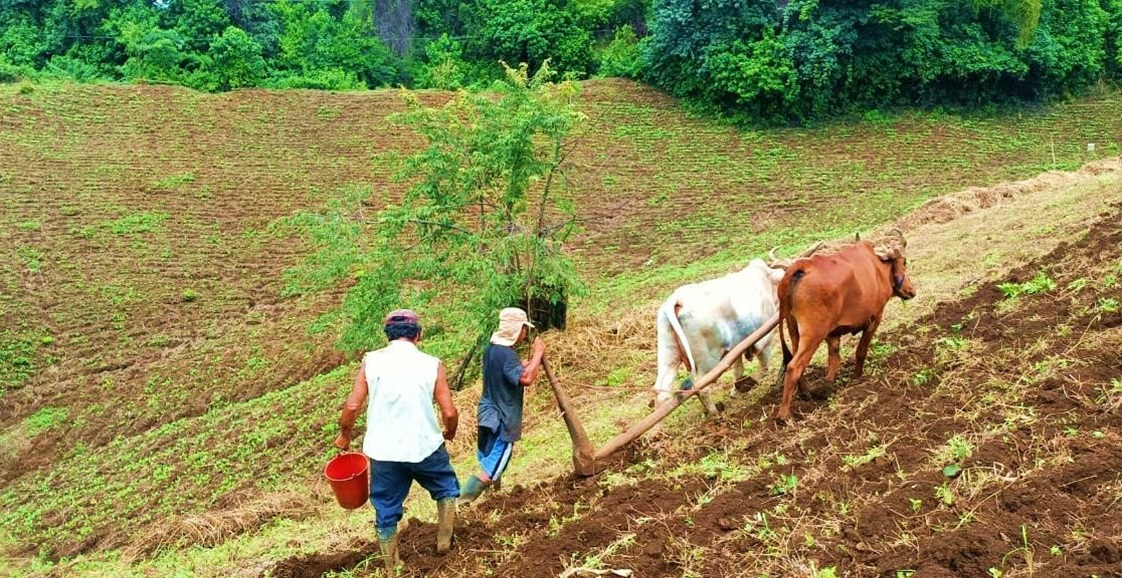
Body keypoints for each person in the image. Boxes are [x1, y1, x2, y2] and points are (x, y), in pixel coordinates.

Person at [334, 309, 460, 576]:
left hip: (384, 450)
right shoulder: (431, 363)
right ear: (418, 335)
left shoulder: (371, 362)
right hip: (425, 444)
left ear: (387, 336)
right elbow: (449, 412)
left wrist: (345, 435)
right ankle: (444, 541)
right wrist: (449, 432)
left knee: (386, 507)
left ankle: (393, 567)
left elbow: (353, 404)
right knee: (446, 488)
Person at [459, 307, 546, 503]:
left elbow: (506, 372)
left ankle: (494, 502)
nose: (525, 333)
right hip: (502, 419)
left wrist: (525, 363)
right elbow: (527, 378)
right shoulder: (506, 354)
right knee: (491, 468)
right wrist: (538, 354)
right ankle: (461, 504)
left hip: (487, 414)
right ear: (517, 329)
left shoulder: (491, 349)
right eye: (524, 328)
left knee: (491, 461)